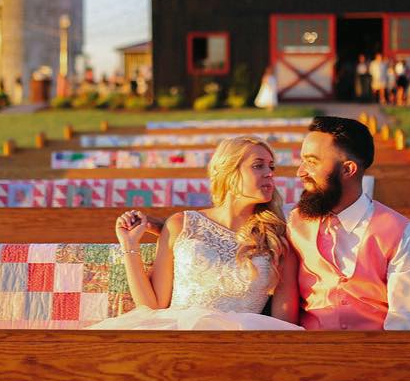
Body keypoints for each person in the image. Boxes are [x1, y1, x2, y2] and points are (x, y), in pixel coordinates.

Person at [87, 136, 302, 330]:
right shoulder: (181, 224)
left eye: (271, 166)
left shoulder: (277, 239)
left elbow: (284, 325)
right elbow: (152, 306)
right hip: (178, 332)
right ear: (228, 171)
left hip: (242, 340)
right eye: (258, 166)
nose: (270, 173)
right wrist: (129, 245)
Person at [285, 116, 410, 330]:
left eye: (312, 162)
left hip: (376, 356)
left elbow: (408, 321)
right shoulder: (291, 221)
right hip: (308, 353)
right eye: (302, 161)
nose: (300, 172)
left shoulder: (400, 233)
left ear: (348, 170)